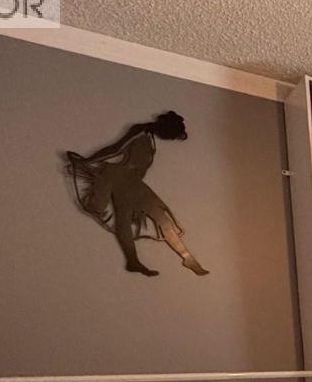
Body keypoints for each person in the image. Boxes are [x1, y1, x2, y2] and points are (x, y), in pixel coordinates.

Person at [65, 110, 207, 276]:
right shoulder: (139, 131)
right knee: (141, 218)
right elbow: (115, 150)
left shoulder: (150, 137)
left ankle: (181, 258)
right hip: (121, 179)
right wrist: (87, 161)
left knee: (151, 218)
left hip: (132, 182)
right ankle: (141, 260)